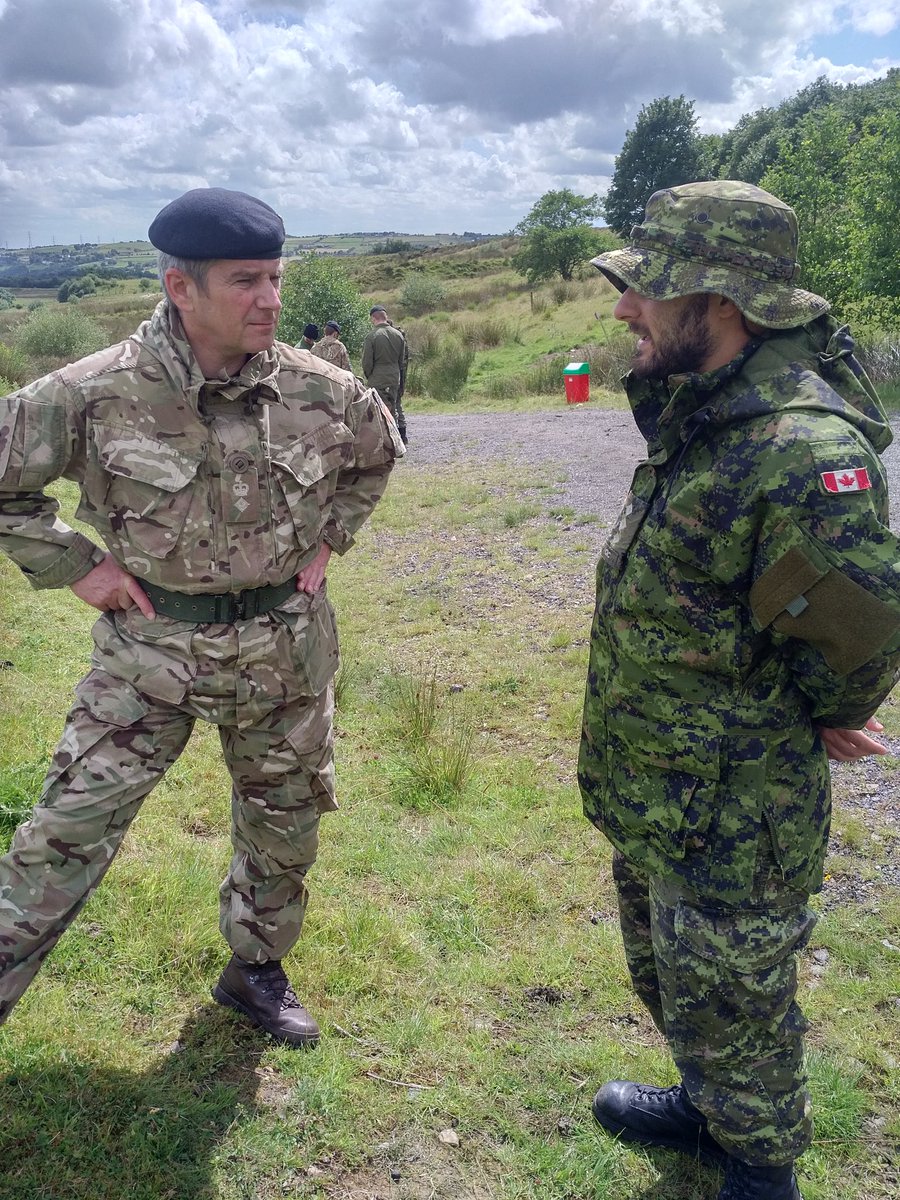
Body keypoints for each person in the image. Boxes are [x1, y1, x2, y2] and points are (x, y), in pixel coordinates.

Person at [0, 188, 403, 1048]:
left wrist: (333, 536)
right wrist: (79, 566)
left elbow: (378, 453)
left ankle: (254, 972)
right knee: (63, 834)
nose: (270, 299)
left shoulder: (321, 390)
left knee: (283, 826)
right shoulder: (93, 392)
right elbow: (5, 487)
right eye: (245, 280)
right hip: (148, 658)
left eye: (276, 278)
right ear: (181, 288)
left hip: (283, 658)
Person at [577, 181, 900, 1200]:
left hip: (734, 806)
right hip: (665, 785)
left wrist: (835, 707)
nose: (626, 308)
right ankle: (704, 1102)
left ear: (719, 306)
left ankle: (757, 1170)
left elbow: (857, 630)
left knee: (738, 999)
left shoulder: (800, 449)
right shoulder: (707, 413)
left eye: (648, 291)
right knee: (679, 979)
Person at [362, 305, 408, 445]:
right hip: (394, 377)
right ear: (385, 317)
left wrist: (369, 376)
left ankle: (388, 442)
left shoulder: (371, 336)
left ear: (373, 318)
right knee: (393, 407)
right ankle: (398, 439)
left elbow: (367, 362)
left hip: (378, 378)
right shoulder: (398, 335)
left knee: (380, 411)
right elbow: (401, 360)